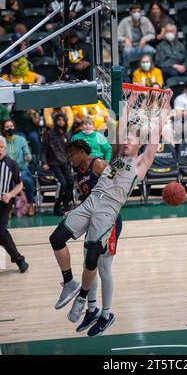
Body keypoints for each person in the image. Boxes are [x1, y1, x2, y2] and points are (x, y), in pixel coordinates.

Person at [49, 97, 171, 333]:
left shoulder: (140, 164)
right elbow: (120, 127)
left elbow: (153, 140)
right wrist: (128, 104)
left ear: (138, 145)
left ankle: (87, 302)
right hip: (92, 201)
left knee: (96, 259)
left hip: (108, 211)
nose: (126, 141)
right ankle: (71, 285)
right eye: (125, 138)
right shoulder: (114, 158)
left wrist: (164, 111)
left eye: (131, 140)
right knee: (57, 239)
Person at [66, 139, 123, 334]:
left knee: (104, 268)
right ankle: (91, 310)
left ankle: (106, 315)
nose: (69, 159)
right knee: (88, 266)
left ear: (82, 152)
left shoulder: (98, 164)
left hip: (109, 221)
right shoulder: (78, 173)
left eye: (71, 154)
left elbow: (116, 183)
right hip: (92, 222)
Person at [0, 135, 29, 273]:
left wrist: (10, 195)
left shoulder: (11, 164)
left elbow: (19, 184)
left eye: (1, 147)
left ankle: (19, 259)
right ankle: (19, 259)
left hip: (3, 204)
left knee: (0, 232)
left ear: (5, 149)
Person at [2, 119, 36, 216]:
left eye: (11, 126)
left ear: (14, 127)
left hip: (22, 169)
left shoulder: (21, 139)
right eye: (7, 127)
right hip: (8, 170)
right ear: (3, 129)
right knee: (7, 182)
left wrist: (27, 157)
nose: (10, 128)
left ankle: (31, 205)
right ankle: (8, 207)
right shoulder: (2, 141)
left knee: (28, 181)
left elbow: (28, 156)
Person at [42, 112, 73, 216]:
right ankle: (57, 205)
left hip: (65, 162)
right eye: (59, 120)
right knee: (62, 183)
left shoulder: (67, 134)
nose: (61, 122)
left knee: (71, 182)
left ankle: (66, 204)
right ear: (55, 122)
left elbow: (69, 150)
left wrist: (71, 160)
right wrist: (45, 162)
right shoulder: (49, 134)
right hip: (54, 163)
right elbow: (44, 150)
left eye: (62, 120)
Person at [118, 3, 156, 67]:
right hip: (130, 46)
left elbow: (152, 34)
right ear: (130, 12)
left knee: (152, 50)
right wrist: (125, 39)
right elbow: (117, 36)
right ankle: (126, 70)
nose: (136, 13)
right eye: (134, 12)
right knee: (126, 51)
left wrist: (145, 39)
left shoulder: (145, 20)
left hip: (141, 46)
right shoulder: (124, 21)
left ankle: (150, 68)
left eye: (138, 12)